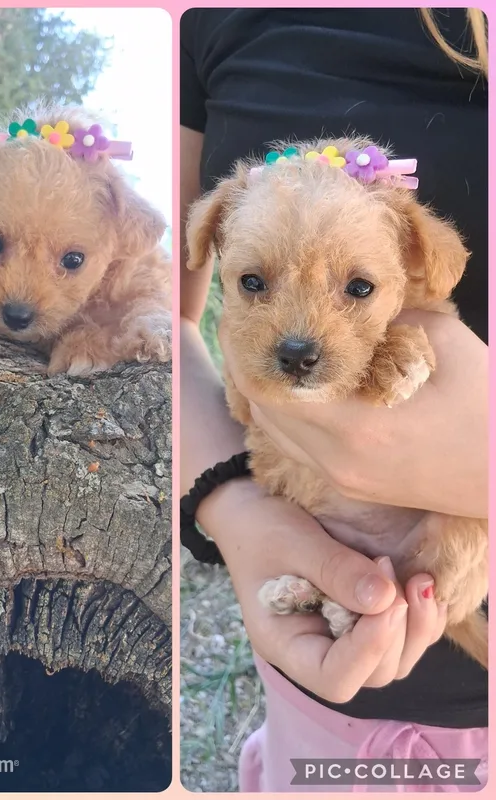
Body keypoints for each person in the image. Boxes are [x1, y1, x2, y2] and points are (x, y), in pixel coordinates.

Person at [180, 7, 488, 792]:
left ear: (412, 261)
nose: (298, 337)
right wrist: (234, 510)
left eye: (356, 289)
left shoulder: (415, 290)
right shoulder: (207, 23)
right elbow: (162, 323)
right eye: (255, 283)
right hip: (313, 684)